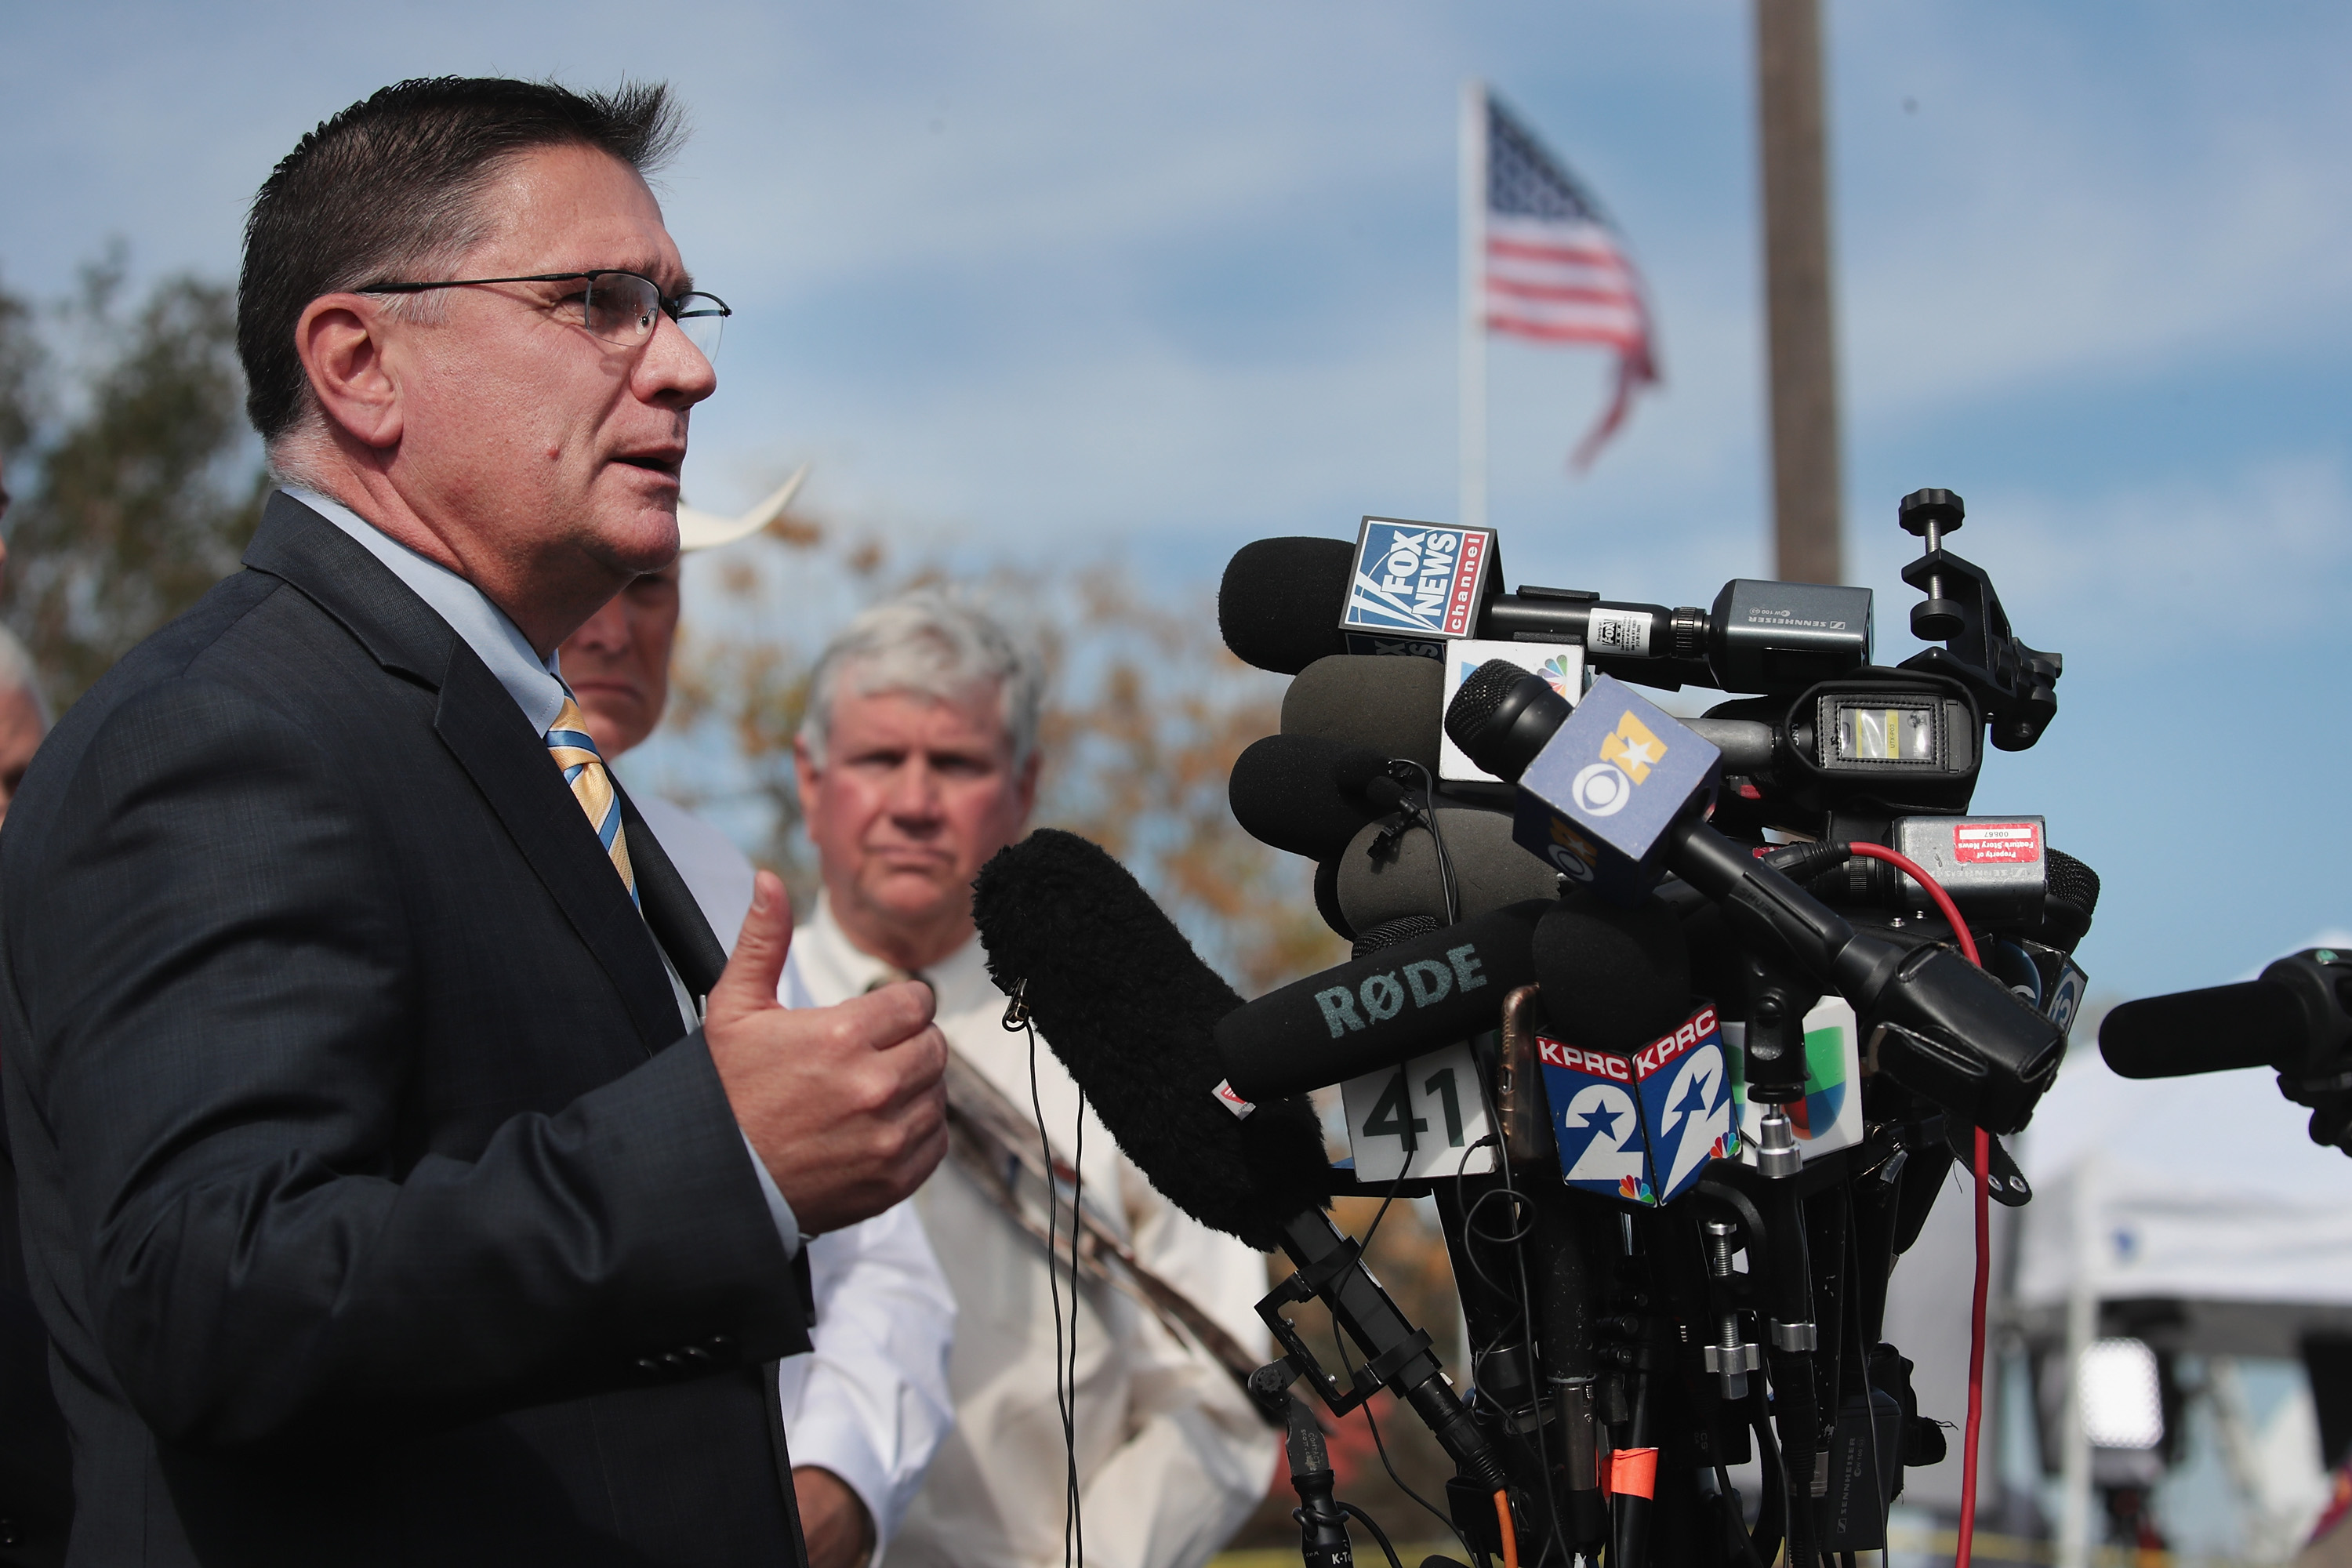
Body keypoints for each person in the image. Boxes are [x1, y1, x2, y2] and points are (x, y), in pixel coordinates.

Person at [0, 78, 948, 1565]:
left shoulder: (512, 742)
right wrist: (724, 1161)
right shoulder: (225, 732)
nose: (687, 369)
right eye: (602, 302)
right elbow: (215, 1296)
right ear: (361, 362)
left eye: (685, 307)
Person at [785, 591, 1278, 1568]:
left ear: (1023, 788)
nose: (915, 801)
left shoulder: (1127, 1034)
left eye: (957, 763)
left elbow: (1221, 1392)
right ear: (811, 780)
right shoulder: (727, 1015)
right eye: (881, 758)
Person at [561, 549, 956, 1568]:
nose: (612, 629)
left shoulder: (714, 875)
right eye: (578, 579)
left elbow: (882, 1265)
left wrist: (832, 1490)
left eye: (648, 586)